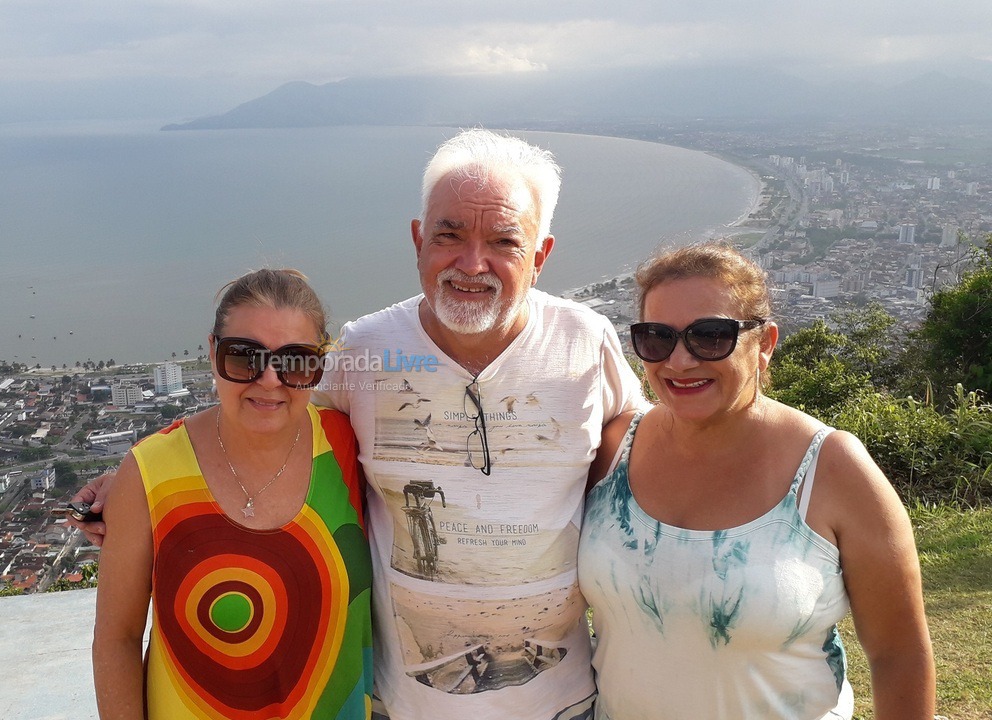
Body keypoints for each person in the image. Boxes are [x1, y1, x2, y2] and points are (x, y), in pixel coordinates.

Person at [76, 129, 645, 719]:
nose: (472, 263)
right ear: (419, 240)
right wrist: (139, 474)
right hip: (405, 705)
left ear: (541, 255)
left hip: (563, 703)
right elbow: (269, 401)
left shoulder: (586, 341)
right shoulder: (367, 349)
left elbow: (644, 441)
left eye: (503, 241)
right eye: (449, 235)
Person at [578, 241, 934, 719]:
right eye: (656, 337)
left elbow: (899, 655)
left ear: (764, 343)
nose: (679, 361)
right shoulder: (615, 449)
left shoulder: (831, 469)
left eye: (710, 336)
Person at [91, 268, 372, 720]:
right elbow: (116, 639)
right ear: (212, 353)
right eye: (245, 358)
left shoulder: (347, 447)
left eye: (295, 361)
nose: (269, 380)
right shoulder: (150, 472)